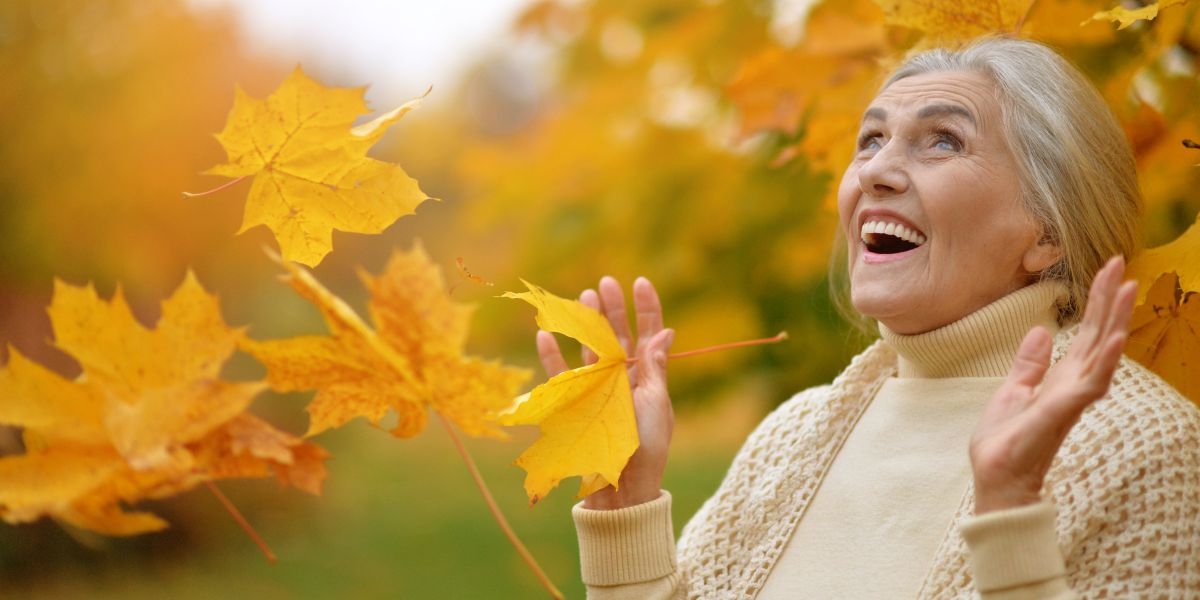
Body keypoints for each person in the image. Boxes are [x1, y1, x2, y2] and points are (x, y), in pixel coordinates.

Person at [534, 37, 1200, 598]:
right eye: (870, 140)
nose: (877, 170)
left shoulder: (1148, 446)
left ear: (1046, 232)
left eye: (942, 141)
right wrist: (626, 516)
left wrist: (1011, 524)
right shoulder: (790, 440)